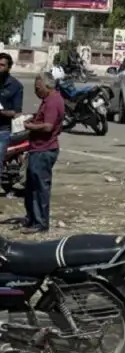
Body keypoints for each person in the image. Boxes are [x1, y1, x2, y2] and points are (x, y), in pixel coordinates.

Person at [20, 72, 65, 234]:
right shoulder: (48, 100)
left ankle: (40, 222)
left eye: (38, 88)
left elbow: (48, 126)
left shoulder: (53, 101)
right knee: (31, 187)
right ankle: (32, 218)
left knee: (39, 188)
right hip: (38, 148)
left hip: (44, 149)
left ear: (47, 86)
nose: (36, 92)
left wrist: (29, 126)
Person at [0, 53, 23, 180]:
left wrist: (2, 112)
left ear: (9, 68)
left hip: (3, 130)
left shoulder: (16, 86)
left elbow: (17, 112)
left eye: (2, 65)